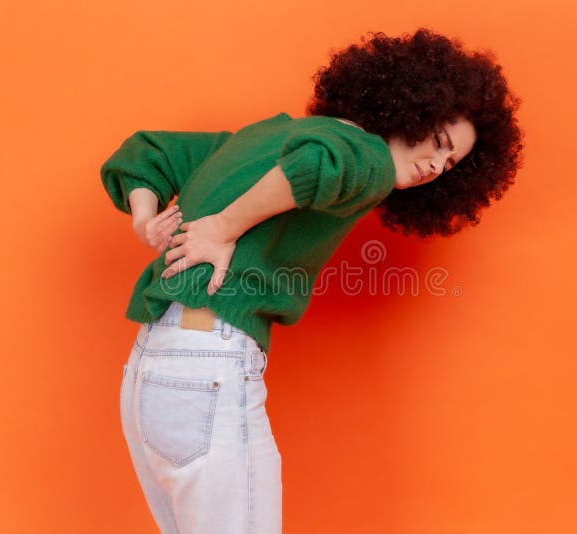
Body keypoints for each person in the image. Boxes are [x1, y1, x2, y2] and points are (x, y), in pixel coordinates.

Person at [102, 28, 523, 534]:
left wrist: (145, 219)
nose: (436, 166)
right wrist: (223, 227)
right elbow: (319, 165)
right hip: (207, 365)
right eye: (438, 141)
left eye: (451, 163)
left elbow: (150, 153)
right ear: (410, 106)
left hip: (151, 367)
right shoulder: (366, 156)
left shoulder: (264, 135)